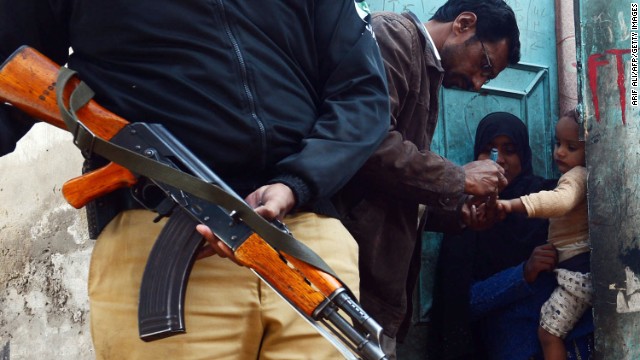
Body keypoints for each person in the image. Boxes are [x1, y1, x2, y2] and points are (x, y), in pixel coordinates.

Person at [0, 1, 390, 359]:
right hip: (154, 233)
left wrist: (297, 181)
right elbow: (8, 67)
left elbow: (362, 93)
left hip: (307, 242)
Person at [332, 1, 520, 357]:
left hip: (372, 285)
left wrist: (459, 213)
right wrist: (458, 178)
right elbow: (367, 144)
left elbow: (399, 186)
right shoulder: (393, 37)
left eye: (488, 77)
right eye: (484, 66)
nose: (478, 85)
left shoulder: (427, 71)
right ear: (463, 24)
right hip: (348, 271)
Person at [430, 112, 593, 360]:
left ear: (524, 155)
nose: (499, 159)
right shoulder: (468, 216)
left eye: (509, 149)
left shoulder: (550, 200)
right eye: (489, 150)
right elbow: (461, 305)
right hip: (511, 344)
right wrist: (523, 273)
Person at [497, 110, 591, 360]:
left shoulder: (578, 176)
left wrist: (512, 205)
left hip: (576, 274)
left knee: (549, 333)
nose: (560, 152)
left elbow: (559, 201)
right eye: (558, 143)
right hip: (574, 272)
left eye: (571, 147)